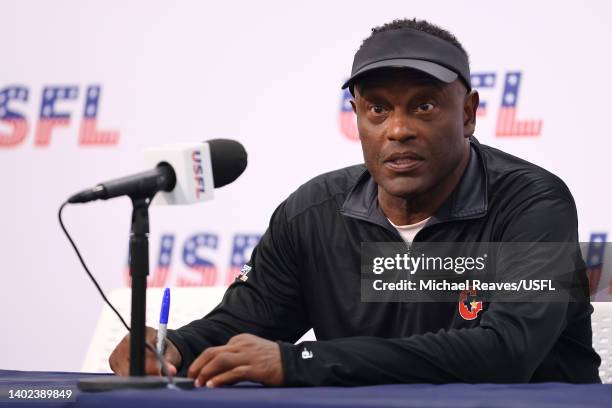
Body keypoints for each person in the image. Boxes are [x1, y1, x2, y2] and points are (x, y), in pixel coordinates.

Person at [109, 18, 601, 386]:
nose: (399, 129)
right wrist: (171, 346)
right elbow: (242, 323)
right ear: (357, 116)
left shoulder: (533, 203)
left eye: (424, 106)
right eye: (377, 109)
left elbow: (506, 351)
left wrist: (298, 362)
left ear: (468, 113)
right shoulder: (313, 215)